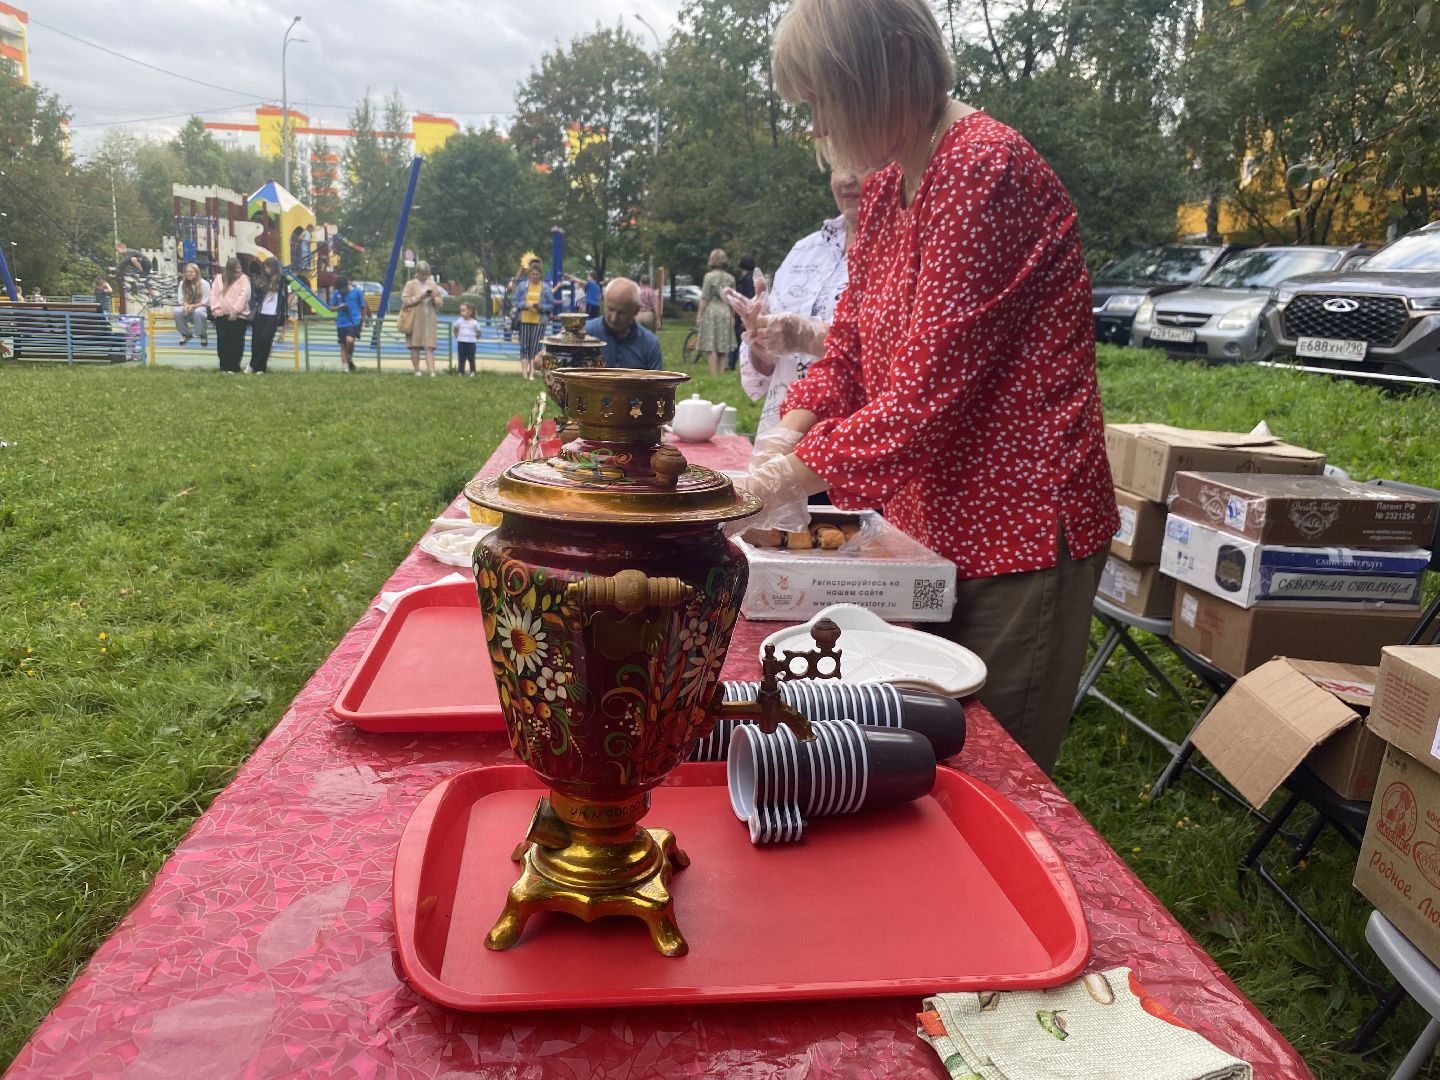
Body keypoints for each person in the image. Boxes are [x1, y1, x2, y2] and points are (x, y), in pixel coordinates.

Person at [742, 0, 1118, 774]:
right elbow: (848, 345)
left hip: (1017, 532)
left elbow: (918, 405)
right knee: (915, 752)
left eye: (821, 103)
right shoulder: (885, 191)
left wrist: (778, 476)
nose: (816, 128)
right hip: (931, 523)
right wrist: (782, 437)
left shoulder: (984, 172)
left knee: (989, 773)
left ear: (882, 75)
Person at [734, 168, 868, 443]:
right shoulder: (805, 250)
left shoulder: (903, 248)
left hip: (851, 448)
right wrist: (762, 340)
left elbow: (896, 354)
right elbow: (769, 370)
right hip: (782, 440)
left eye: (860, 162)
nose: (846, 178)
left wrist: (809, 337)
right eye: (838, 165)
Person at [584, 278, 663, 369]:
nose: (614, 318)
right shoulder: (585, 335)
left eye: (621, 313)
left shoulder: (650, 344)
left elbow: (657, 382)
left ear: (636, 310)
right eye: (610, 309)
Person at [695, 249, 737, 376]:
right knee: (723, 346)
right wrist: (733, 316)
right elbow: (732, 300)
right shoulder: (731, 278)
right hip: (725, 311)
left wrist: (699, 315)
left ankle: (714, 375)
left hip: (711, 311)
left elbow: (705, 298)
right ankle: (721, 374)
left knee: (711, 345)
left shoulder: (708, 277)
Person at [511, 259, 554, 381]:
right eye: (533, 274)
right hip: (524, 319)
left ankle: (532, 373)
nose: (535, 276)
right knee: (524, 346)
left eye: (537, 274)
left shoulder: (546, 287)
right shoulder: (522, 286)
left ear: (541, 275)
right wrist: (525, 305)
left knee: (535, 347)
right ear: (529, 274)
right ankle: (524, 373)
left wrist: (540, 307)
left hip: (540, 320)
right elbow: (514, 301)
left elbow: (551, 305)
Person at [208, 256, 251, 374]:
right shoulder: (219, 278)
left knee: (235, 341)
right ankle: (224, 366)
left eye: (239, 268)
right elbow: (213, 295)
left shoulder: (244, 279)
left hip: (238, 316)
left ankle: (234, 366)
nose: (238, 271)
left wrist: (235, 311)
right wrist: (216, 308)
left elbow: (244, 296)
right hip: (221, 315)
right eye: (235, 269)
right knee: (222, 341)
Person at [401, 260, 442, 377]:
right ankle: (417, 370)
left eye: (426, 273)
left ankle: (432, 371)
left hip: (429, 319)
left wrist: (434, 298)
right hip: (415, 319)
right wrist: (420, 296)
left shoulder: (433, 285)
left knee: (429, 346)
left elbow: (440, 302)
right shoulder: (410, 284)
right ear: (417, 272)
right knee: (415, 345)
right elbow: (405, 300)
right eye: (422, 273)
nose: (424, 276)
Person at [247, 257, 286, 374]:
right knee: (256, 340)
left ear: (274, 268)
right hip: (260, 312)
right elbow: (255, 294)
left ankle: (259, 366)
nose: (267, 269)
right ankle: (254, 365)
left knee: (266, 339)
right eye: (265, 267)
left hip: (273, 314)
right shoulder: (262, 279)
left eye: (269, 267)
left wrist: (282, 321)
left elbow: (283, 300)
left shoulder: (281, 280)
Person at [331, 276, 368, 372]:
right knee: (343, 345)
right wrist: (339, 307)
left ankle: (349, 357)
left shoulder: (357, 292)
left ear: (348, 283)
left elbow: (363, 307)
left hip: (354, 321)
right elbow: (331, 308)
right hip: (341, 322)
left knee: (350, 340)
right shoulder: (336, 293)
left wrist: (362, 321)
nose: (343, 290)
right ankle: (345, 368)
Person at [172, 262, 211, 347]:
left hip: (201, 306)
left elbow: (206, 301)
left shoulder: (204, 284)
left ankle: (202, 334)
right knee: (177, 311)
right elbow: (181, 299)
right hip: (188, 305)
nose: (189, 274)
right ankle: (186, 333)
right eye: (187, 272)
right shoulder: (182, 283)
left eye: (192, 272)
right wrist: (186, 306)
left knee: (199, 312)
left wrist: (192, 306)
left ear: (196, 273)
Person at [453, 301, 482, 376]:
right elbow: (455, 329)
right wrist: (458, 336)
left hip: (471, 343)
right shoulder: (459, 321)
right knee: (461, 358)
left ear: (470, 311)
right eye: (461, 311)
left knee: (471, 358)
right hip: (461, 342)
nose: (461, 312)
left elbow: (478, 332)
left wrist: (475, 338)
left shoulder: (474, 322)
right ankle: (460, 371)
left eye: (463, 310)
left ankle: (472, 372)